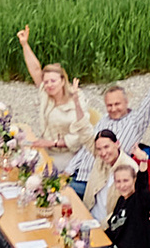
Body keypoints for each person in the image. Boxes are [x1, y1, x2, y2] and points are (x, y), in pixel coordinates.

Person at [15, 27, 92, 168]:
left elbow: (79, 137)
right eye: (46, 81)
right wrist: (25, 44)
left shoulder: (77, 98)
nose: (49, 85)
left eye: (53, 81)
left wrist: (51, 143)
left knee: (39, 172)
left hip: (69, 154)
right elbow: (36, 70)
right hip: (46, 147)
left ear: (63, 81)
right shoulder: (46, 93)